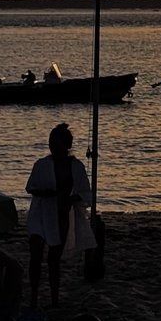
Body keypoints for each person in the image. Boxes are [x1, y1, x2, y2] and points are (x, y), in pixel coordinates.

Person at [25, 123, 95, 308]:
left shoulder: (76, 166)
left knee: (53, 259)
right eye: (50, 142)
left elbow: (86, 193)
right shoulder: (41, 165)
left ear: (66, 145)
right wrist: (44, 192)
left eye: (55, 143)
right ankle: (33, 296)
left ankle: (54, 299)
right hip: (40, 212)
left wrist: (70, 199)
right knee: (35, 254)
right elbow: (30, 187)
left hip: (62, 214)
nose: (52, 146)